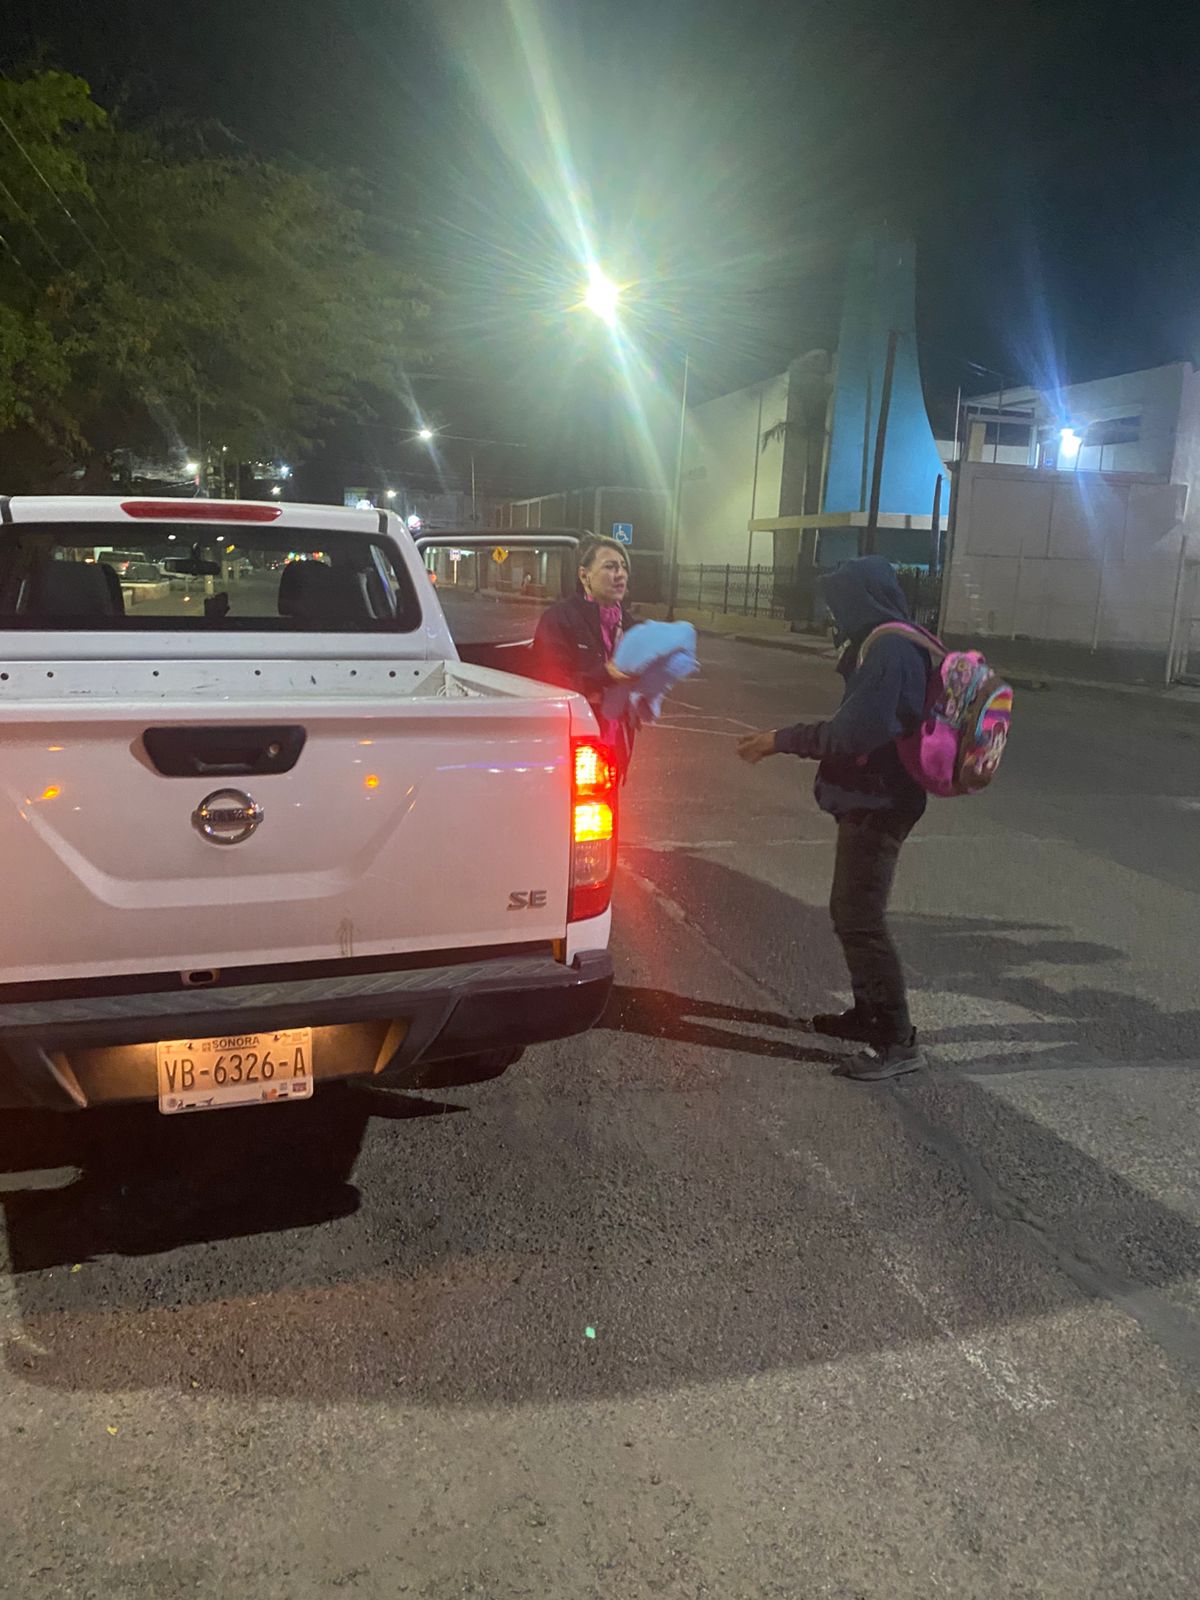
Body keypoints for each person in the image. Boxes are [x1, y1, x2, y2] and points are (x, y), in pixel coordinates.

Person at [737, 556, 929, 1081]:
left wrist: (780, 740)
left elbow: (851, 734)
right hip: (878, 796)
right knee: (850, 912)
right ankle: (869, 1014)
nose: (832, 612)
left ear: (860, 599)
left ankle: (896, 1039)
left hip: (880, 801)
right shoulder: (896, 640)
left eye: (838, 601)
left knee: (860, 917)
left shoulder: (889, 650)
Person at [533, 535, 640, 768]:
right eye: (610, 566)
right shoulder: (559, 620)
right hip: (573, 741)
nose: (620, 574)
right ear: (584, 576)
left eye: (623, 567)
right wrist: (605, 674)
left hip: (616, 740)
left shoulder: (630, 627)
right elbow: (551, 687)